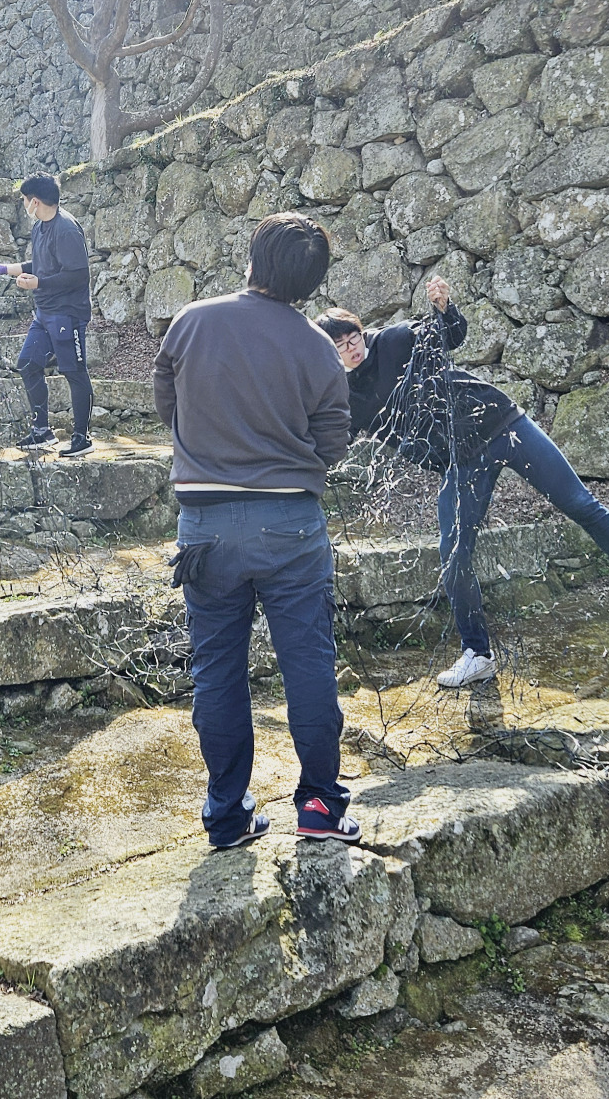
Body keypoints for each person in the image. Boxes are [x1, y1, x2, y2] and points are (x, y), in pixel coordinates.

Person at [317, 277, 609, 685]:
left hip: (504, 425)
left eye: (353, 337)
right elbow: (334, 441)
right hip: (463, 461)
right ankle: (477, 653)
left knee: (581, 505)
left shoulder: (394, 339)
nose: (352, 348)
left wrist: (445, 307)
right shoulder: (345, 395)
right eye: (340, 346)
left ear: (361, 331)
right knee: (453, 553)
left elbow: (451, 335)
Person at [155, 213, 360, 849]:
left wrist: (209, 444)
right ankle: (320, 808)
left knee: (217, 670)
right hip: (291, 523)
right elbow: (333, 439)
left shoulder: (192, 320)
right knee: (308, 664)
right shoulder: (317, 347)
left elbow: (166, 400)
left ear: (253, 258)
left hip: (205, 526)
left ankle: (226, 815)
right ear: (311, 282)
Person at [12, 174, 94, 458]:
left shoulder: (67, 228)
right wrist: (5, 269)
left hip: (68, 314)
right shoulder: (39, 227)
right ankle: (41, 431)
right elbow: (40, 263)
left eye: (24, 200)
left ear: (35, 201)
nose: (24, 205)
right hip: (43, 313)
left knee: (73, 371)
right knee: (27, 364)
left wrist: (39, 283)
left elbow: (78, 274)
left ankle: (82, 437)